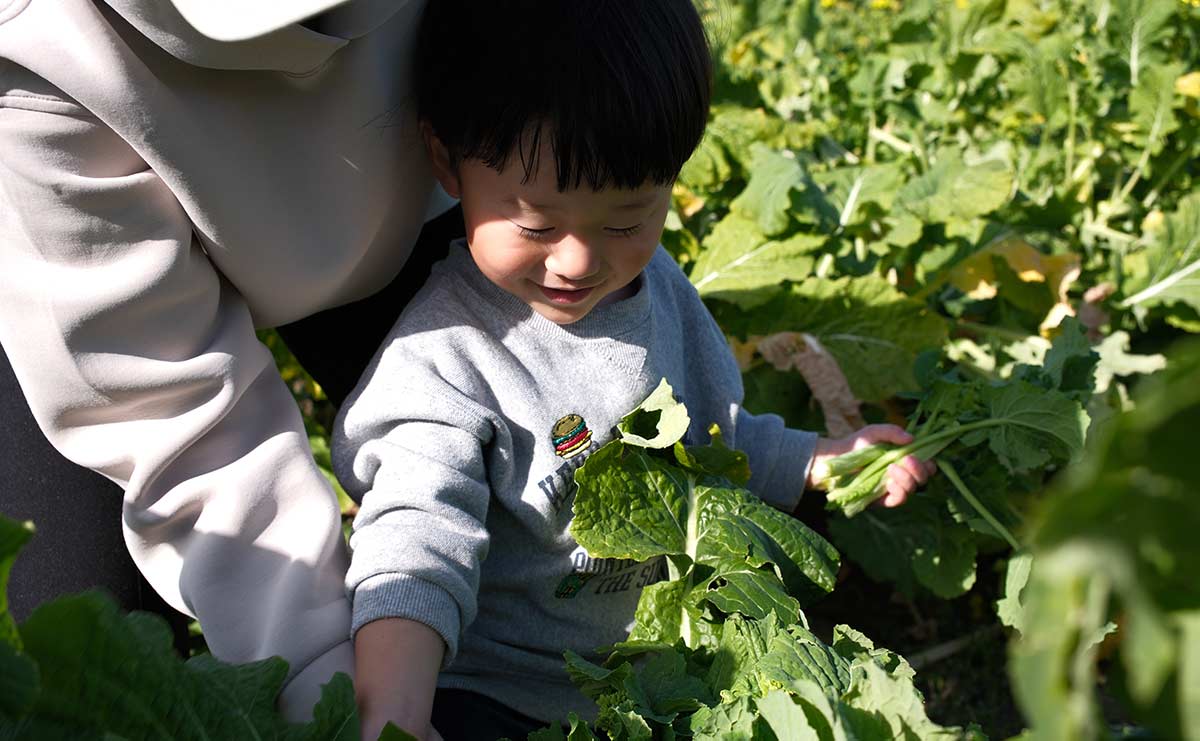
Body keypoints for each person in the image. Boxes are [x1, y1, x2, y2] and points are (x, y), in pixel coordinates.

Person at [332, 1, 935, 739]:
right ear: (445, 159)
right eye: (536, 224)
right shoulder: (444, 359)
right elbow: (417, 539)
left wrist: (822, 459)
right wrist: (395, 715)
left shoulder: (661, 292)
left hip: (659, 674)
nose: (579, 260)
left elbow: (717, 440)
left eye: (627, 220)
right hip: (501, 692)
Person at [0, 0, 462, 720]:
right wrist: (330, 695)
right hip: (92, 295)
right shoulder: (30, 42)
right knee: (74, 654)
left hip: (415, 202)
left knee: (541, 522)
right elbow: (175, 422)